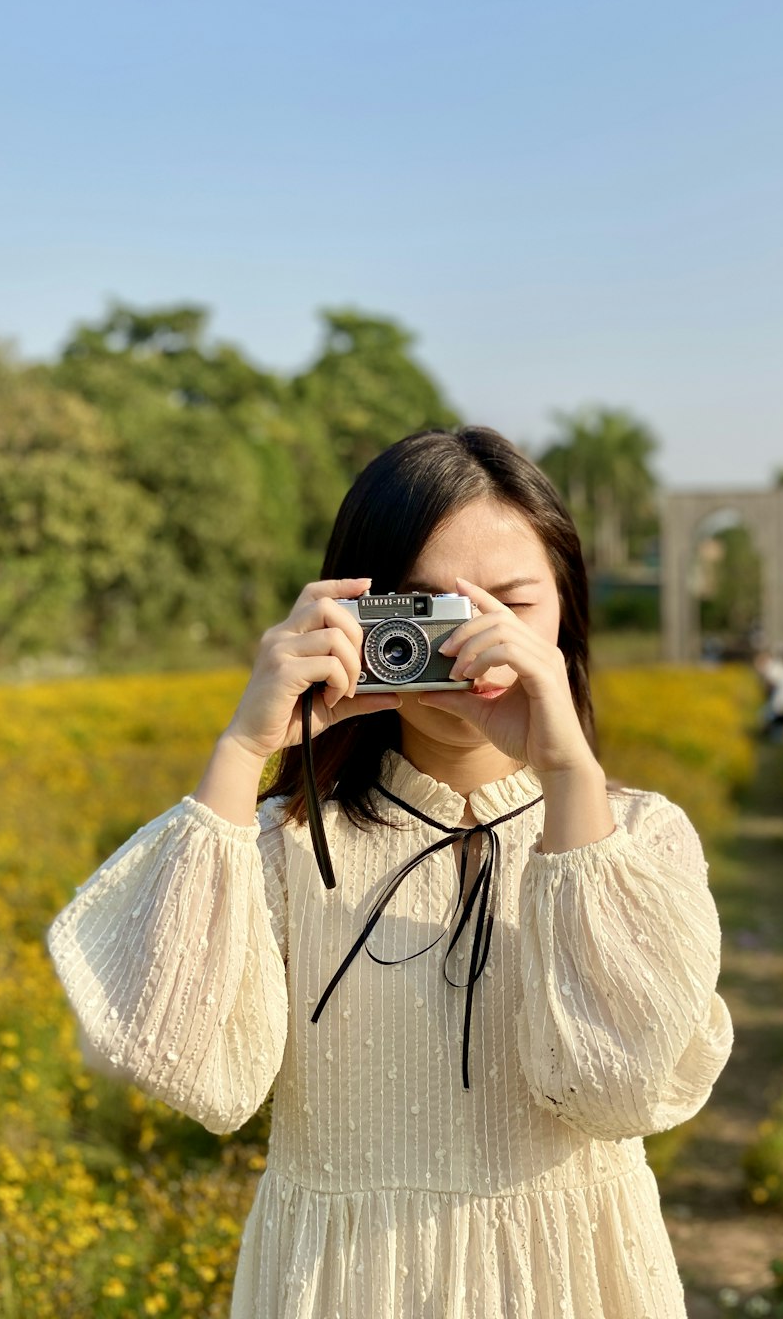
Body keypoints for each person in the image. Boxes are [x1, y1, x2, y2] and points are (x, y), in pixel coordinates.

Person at [48, 427, 734, 1319]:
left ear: (566, 610)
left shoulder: (640, 842)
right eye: (427, 614)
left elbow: (617, 1090)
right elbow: (186, 1061)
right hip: (341, 1289)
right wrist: (245, 745)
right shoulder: (284, 844)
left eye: (508, 608)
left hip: (573, 1285)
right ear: (356, 614)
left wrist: (568, 776)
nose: (467, 647)